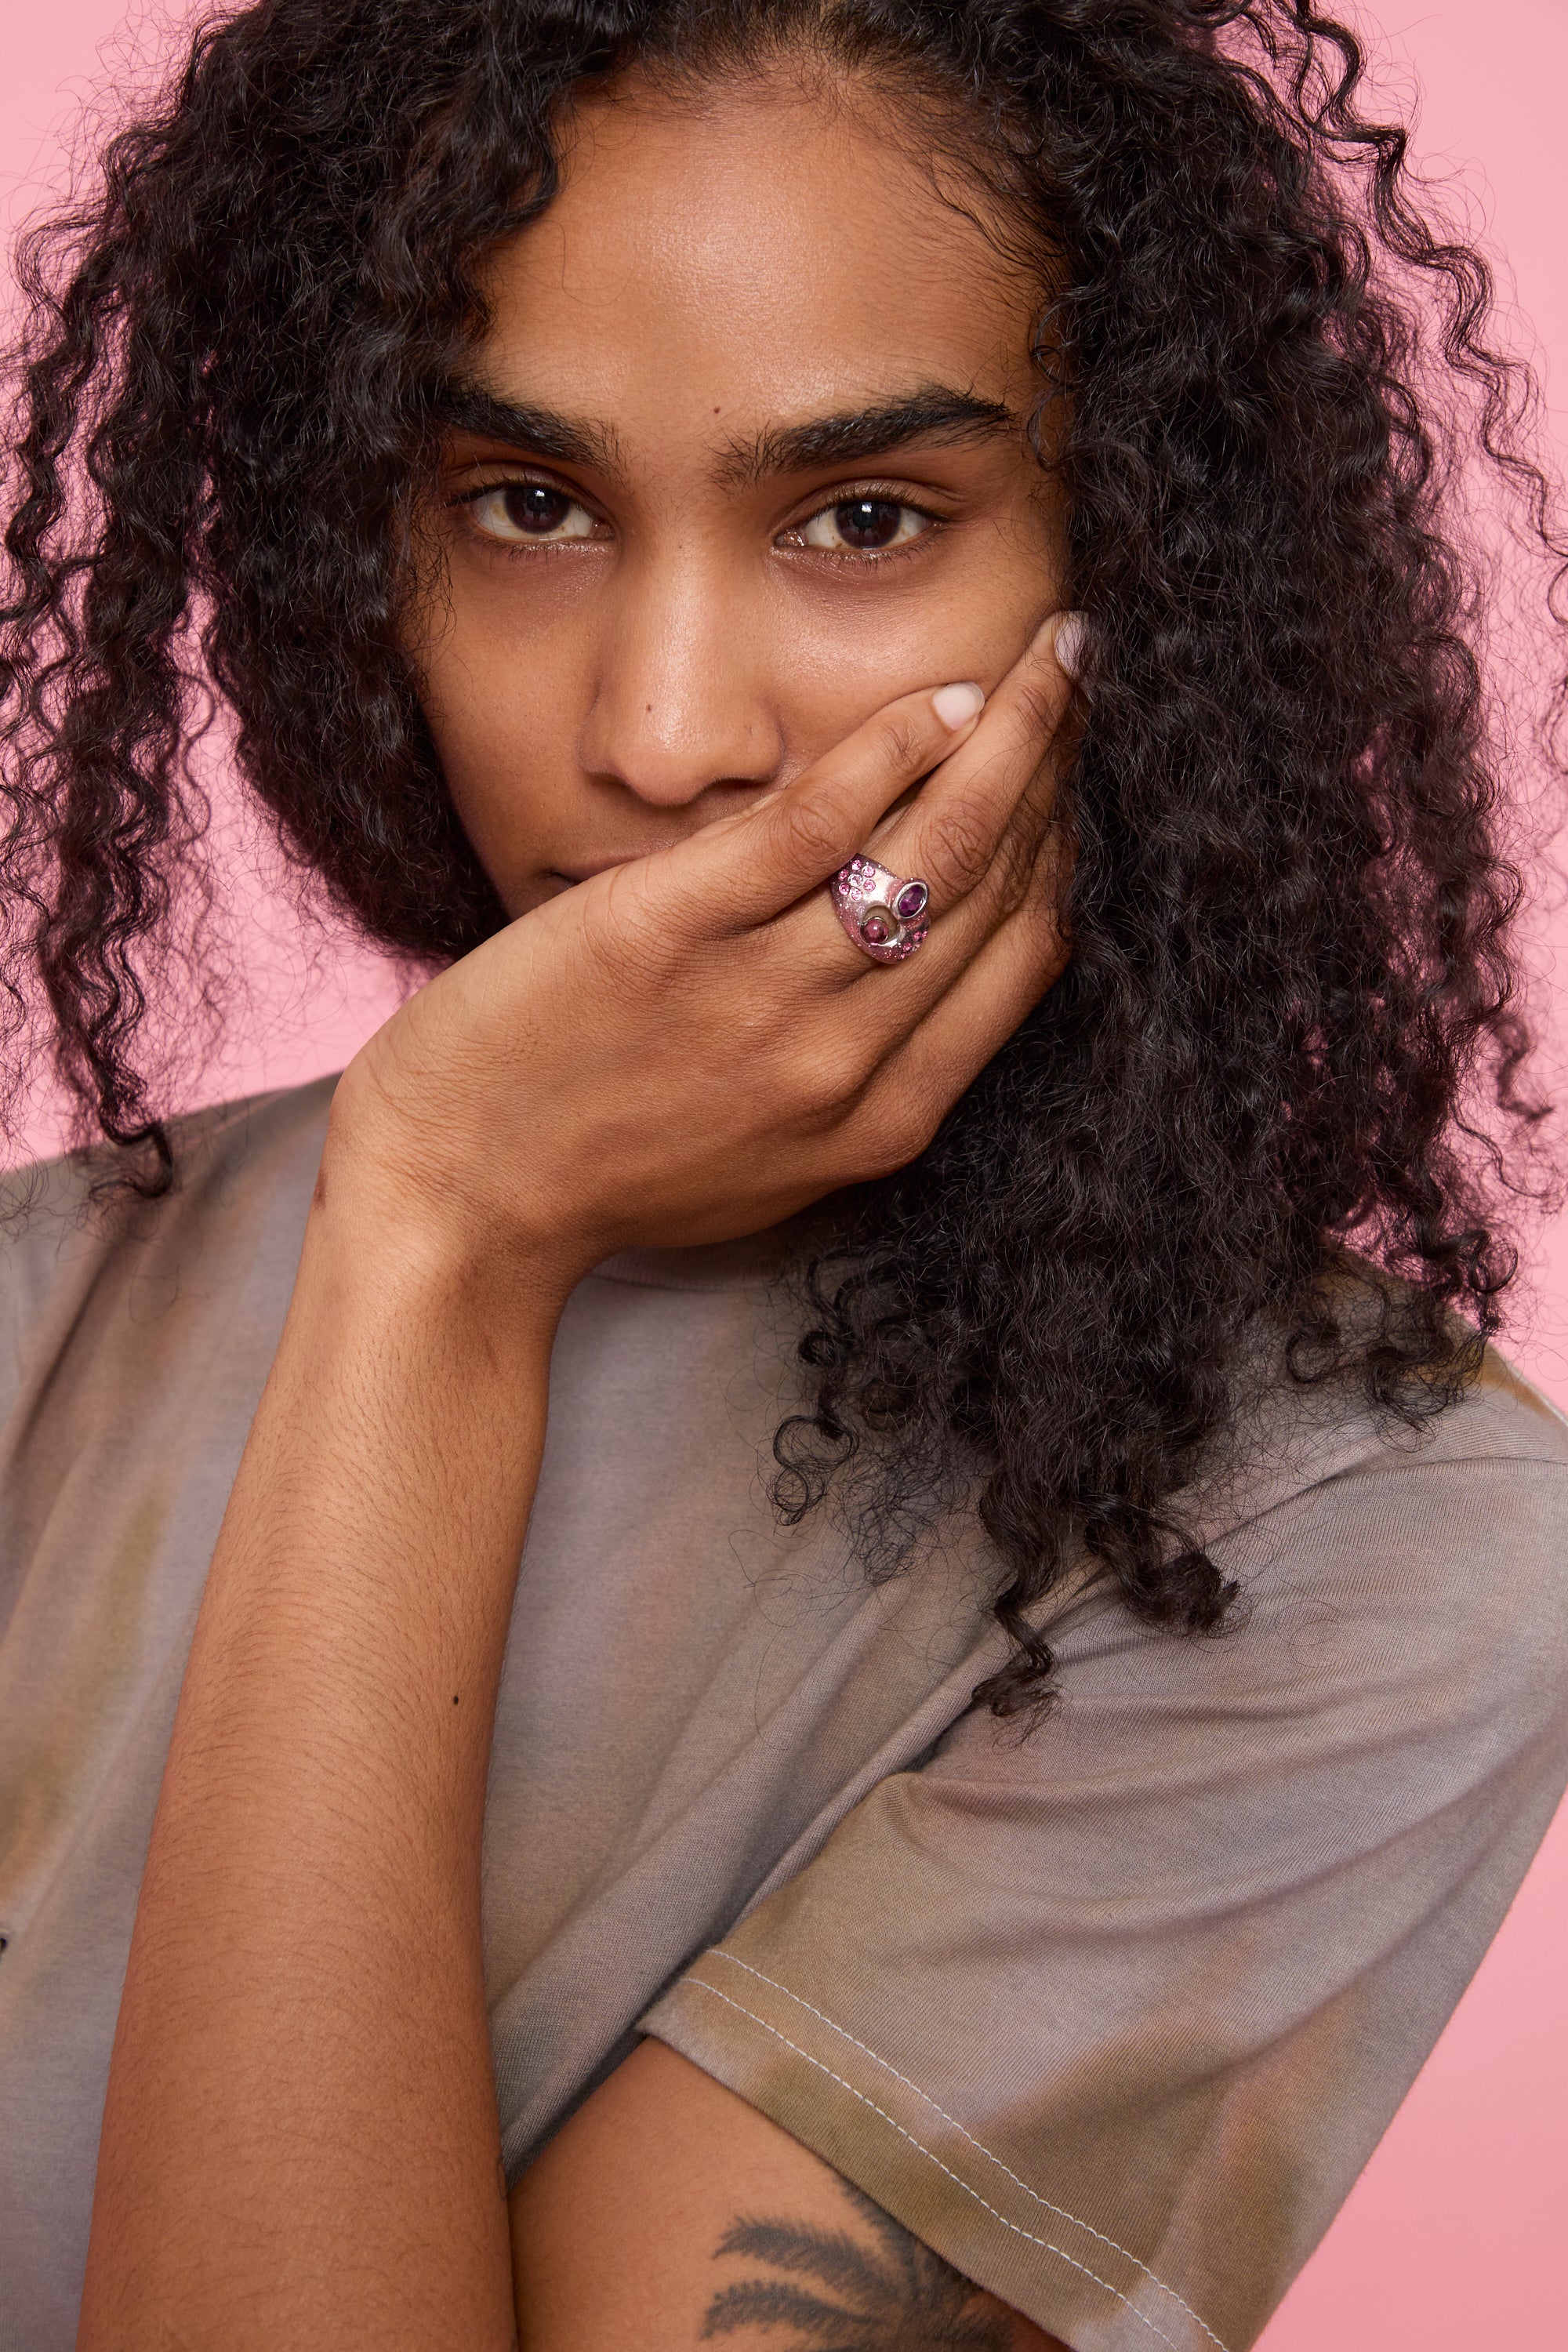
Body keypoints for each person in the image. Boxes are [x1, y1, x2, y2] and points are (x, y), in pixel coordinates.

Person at [2, 2, 1566, 2347]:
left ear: (1138, 582)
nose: (663, 734)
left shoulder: (1347, 1534)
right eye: (524, 504)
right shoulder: (41, 1302)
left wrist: (437, 1251)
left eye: (863, 520)